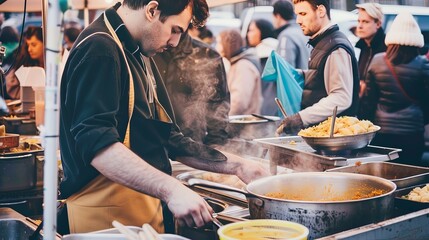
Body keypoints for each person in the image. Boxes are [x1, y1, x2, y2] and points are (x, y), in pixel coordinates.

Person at [60, 0, 269, 234]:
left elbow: (167, 136)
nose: (175, 42)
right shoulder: (100, 48)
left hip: (141, 212)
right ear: (151, 10)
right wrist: (172, 189)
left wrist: (238, 166)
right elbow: (96, 143)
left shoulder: (137, 53)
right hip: (103, 219)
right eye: (175, 30)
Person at [278, 0, 359, 134]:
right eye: (297, 14)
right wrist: (298, 74)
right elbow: (321, 76)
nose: (298, 20)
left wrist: (301, 118)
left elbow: (341, 97)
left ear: (321, 11)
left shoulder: (335, 47)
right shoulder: (322, 42)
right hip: (324, 136)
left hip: (335, 140)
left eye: (303, 13)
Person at [361, 11, 429, 167]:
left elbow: (368, 101)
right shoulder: (423, 65)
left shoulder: (377, 61)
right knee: (411, 176)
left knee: (386, 176)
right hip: (412, 134)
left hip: (383, 133)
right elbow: (427, 103)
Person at [154, 30, 230, 146]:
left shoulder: (207, 55)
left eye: (176, 29)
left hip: (192, 146)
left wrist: (213, 152)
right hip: (151, 148)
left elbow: (218, 111)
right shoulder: (148, 53)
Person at [216, 29, 263, 115]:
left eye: (219, 43)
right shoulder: (237, 64)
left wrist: (221, 117)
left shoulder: (243, 66)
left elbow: (239, 102)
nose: (216, 47)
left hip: (245, 126)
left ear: (228, 44)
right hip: (240, 126)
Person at [246, 19, 278, 116]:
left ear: (262, 32)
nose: (248, 34)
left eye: (252, 30)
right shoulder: (276, 49)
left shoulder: (262, 54)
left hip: (266, 109)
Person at [355, 3, 386, 98]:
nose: (360, 26)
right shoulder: (363, 46)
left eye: (365, 22)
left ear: (378, 24)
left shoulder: (385, 48)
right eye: (359, 21)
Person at [5, 26, 44, 100]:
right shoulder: (25, 64)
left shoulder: (54, 66)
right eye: (28, 45)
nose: (29, 49)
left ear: (45, 44)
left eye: (34, 45)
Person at [273, 0, 310, 69]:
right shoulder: (303, 32)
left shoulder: (286, 36)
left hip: (296, 79)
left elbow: (285, 70)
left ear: (277, 16)